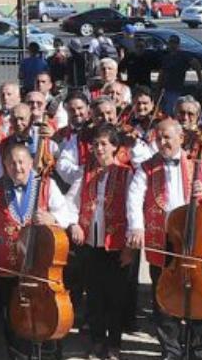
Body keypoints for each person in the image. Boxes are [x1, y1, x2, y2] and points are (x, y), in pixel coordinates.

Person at [126, 119, 202, 360]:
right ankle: (170, 350)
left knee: (200, 297)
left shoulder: (200, 165)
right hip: (162, 239)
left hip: (196, 241)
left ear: (181, 138)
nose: (163, 143)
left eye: (168, 138)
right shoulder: (146, 167)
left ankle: (198, 350)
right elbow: (134, 198)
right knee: (163, 298)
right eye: (159, 138)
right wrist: (136, 226)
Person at [0, 139, 77, 359]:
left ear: (30, 163)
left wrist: (53, 217)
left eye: (21, 162)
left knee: (49, 314)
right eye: (11, 163)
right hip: (8, 266)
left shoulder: (47, 185)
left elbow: (68, 214)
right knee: (12, 317)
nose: (17, 168)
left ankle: (49, 355)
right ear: (5, 165)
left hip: (40, 265)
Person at [67, 125, 136, 360]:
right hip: (90, 244)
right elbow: (70, 203)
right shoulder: (84, 172)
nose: (99, 149)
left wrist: (129, 247)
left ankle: (114, 344)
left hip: (115, 244)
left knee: (115, 299)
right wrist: (73, 223)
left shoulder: (126, 173)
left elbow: (133, 212)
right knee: (94, 297)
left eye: (104, 144)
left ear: (115, 147)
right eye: (95, 144)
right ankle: (97, 341)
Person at [157, 36, 202, 117]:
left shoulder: (183, 55)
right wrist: (158, 87)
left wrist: (200, 80)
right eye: (171, 42)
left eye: (175, 43)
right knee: (166, 112)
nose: (172, 45)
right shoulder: (166, 57)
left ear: (178, 44)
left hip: (177, 89)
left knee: (175, 111)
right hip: (166, 89)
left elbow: (196, 64)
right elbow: (162, 73)